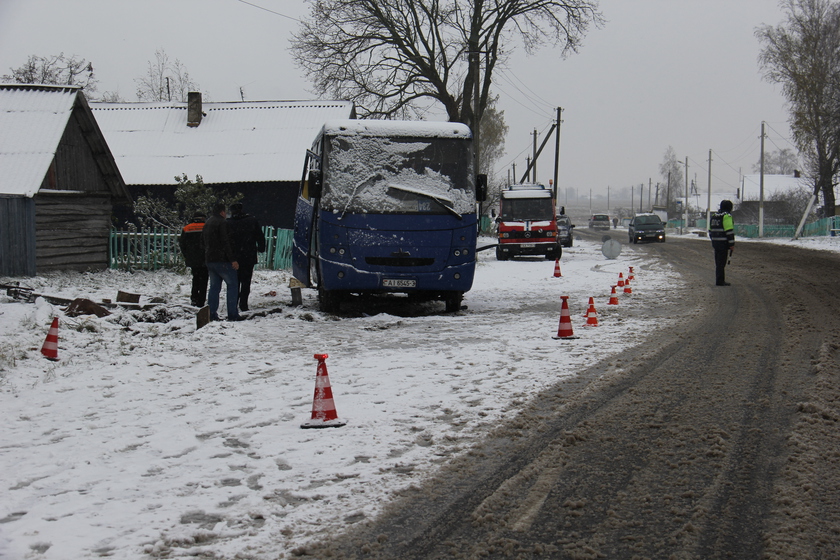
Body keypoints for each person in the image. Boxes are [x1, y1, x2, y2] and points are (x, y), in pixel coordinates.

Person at [203, 202, 242, 321]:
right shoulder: (223, 223)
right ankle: (232, 314)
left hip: (210, 259)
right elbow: (226, 242)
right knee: (233, 285)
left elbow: (202, 241)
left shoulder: (208, 222)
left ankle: (212, 314)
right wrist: (233, 259)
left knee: (214, 287)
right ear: (222, 212)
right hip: (223, 260)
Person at [227, 203, 266, 312]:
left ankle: (233, 303)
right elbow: (260, 236)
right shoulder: (251, 220)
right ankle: (243, 304)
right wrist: (261, 248)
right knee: (246, 281)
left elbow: (225, 240)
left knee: (234, 281)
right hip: (249, 255)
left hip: (234, 257)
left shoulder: (228, 223)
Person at [178, 213, 209, 307]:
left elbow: (182, 244)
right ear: (203, 218)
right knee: (204, 280)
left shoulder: (187, 228)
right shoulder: (207, 227)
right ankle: (201, 300)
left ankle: (194, 298)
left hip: (193, 259)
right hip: (205, 258)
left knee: (195, 279)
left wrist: (187, 255)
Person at [709, 199, 735, 286]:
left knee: (718, 262)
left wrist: (714, 240)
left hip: (716, 243)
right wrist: (731, 244)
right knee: (721, 263)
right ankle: (720, 281)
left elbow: (710, 230)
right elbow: (729, 231)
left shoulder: (714, 216)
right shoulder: (727, 216)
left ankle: (719, 279)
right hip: (723, 244)